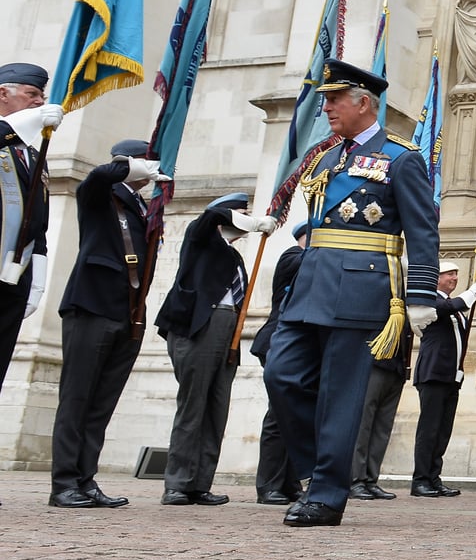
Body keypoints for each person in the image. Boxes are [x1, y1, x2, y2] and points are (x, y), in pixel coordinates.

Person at [263, 59, 440, 527]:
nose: (325, 109)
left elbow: (424, 231)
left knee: (341, 397)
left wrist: (421, 293)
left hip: (361, 288)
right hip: (311, 285)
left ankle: (325, 495)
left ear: (364, 103)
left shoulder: (402, 158)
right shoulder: (324, 158)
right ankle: (322, 468)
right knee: (281, 375)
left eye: (334, 100)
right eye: (324, 100)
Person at [48, 139, 168, 508]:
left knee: (101, 404)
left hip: (127, 312)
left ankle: (86, 479)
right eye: (145, 163)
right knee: (77, 399)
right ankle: (64, 483)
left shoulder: (142, 206)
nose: (151, 169)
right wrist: (126, 165)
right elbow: (96, 178)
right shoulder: (102, 194)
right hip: (92, 306)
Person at [155, 192, 276, 506]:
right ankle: (178, 482)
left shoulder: (232, 255)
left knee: (215, 409)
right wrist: (253, 221)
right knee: (193, 405)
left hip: (227, 330)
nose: (244, 218)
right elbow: (210, 218)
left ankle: (199, 482)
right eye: (240, 212)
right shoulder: (201, 236)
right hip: (201, 327)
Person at [0, 62, 63, 389]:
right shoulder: (8, 138)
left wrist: (37, 270)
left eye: (42, 96)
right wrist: (13, 128)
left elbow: (38, 220)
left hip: (15, 273)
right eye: (32, 94)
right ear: (3, 94)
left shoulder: (34, 155)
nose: (40, 102)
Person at [410, 261, 476, 497]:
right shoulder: (431, 299)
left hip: (450, 376)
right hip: (433, 374)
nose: (454, 277)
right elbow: (448, 307)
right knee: (429, 429)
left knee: (442, 430)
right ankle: (420, 479)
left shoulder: (451, 306)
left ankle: (433, 477)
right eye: (450, 274)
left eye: (456, 274)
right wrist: (471, 293)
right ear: (437, 278)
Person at [249, 222, 308, 505]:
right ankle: (269, 485)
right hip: (277, 341)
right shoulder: (292, 256)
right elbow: (309, 262)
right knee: (277, 416)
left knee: (296, 416)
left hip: (301, 345)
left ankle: (289, 482)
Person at [348, 331, 410, 501]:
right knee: (363, 425)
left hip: (396, 364)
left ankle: (370, 479)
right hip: (372, 362)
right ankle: (355, 480)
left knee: (382, 428)